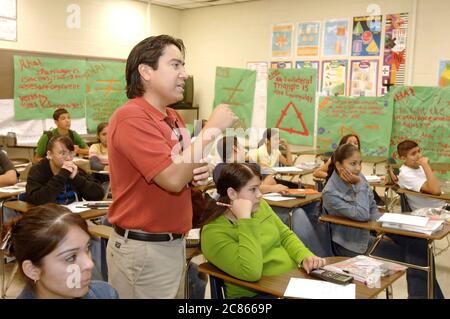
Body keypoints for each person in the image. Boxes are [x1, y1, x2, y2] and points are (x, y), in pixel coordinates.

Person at [106, 34, 237, 299]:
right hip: (143, 249)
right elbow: (172, 178)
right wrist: (211, 130)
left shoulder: (173, 116)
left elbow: (183, 168)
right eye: (175, 65)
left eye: (183, 66)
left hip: (173, 244)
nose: (185, 74)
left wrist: (194, 174)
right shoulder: (130, 116)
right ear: (146, 71)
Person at [322, 143, 444, 299]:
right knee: (418, 256)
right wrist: (359, 185)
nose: (359, 168)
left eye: (360, 163)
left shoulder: (358, 177)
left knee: (420, 243)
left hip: (372, 230)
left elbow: (372, 206)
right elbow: (362, 215)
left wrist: (384, 225)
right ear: (338, 165)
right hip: (353, 244)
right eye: (353, 164)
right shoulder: (330, 193)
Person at [201, 163, 326, 299]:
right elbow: (251, 272)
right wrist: (245, 220)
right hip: (258, 294)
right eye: (253, 189)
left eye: (259, 188)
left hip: (289, 283)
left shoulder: (260, 206)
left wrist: (305, 256)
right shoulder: (213, 233)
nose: (259, 195)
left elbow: (285, 235)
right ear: (232, 193)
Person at [212, 136, 331, 257]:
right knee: (298, 214)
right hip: (256, 210)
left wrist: (265, 184)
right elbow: (264, 182)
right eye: (242, 147)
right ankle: (319, 257)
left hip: (263, 204)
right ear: (235, 148)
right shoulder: (221, 169)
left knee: (313, 206)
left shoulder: (248, 165)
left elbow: (268, 177)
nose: (245, 150)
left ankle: (323, 255)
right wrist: (271, 188)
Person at [1, 203, 118, 299]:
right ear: (33, 270)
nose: (89, 264)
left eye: (87, 248)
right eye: (71, 257)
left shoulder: (106, 294)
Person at [25, 136, 104, 205]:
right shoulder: (38, 170)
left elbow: (98, 195)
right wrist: (62, 175)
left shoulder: (75, 169)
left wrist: (76, 178)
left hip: (74, 216)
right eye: (62, 153)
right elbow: (37, 200)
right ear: (49, 155)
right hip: (48, 218)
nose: (68, 158)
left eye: (70, 153)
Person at [397, 140, 446, 211]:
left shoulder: (418, 166)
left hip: (442, 203)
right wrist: (426, 165)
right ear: (403, 158)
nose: (419, 156)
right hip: (434, 210)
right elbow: (436, 191)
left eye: (419, 151)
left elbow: (434, 184)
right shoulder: (405, 174)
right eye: (413, 154)